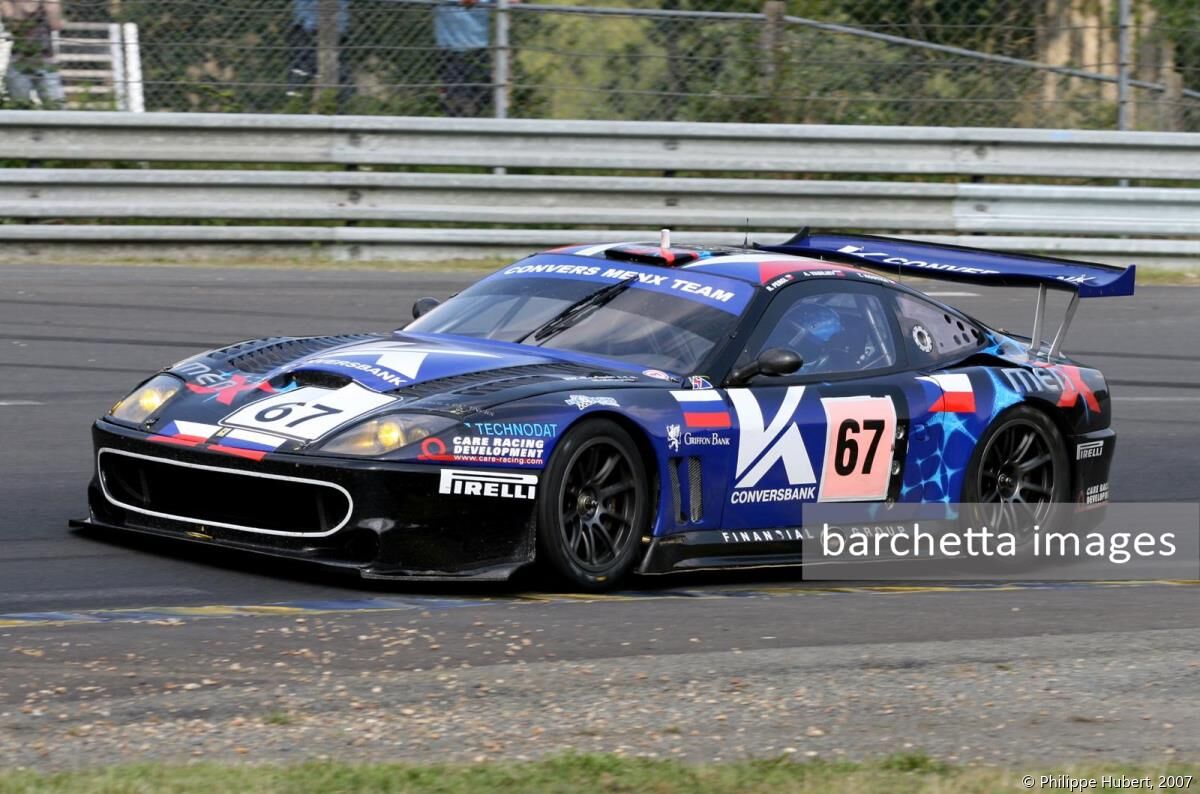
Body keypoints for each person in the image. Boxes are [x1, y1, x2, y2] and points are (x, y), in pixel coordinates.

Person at [0, 0, 65, 108]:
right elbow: (15, 26)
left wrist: (52, 5)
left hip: (45, 61)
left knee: (56, 105)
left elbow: (56, 25)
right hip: (19, 63)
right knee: (19, 106)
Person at [434, 0, 494, 117]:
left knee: (486, 94)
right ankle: (456, 126)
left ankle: (471, 125)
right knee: (457, 100)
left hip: (478, 50)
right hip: (450, 52)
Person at [287, 0, 351, 105]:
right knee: (303, 72)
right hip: (307, 28)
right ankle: (300, 100)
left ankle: (334, 102)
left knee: (335, 73)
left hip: (331, 29)